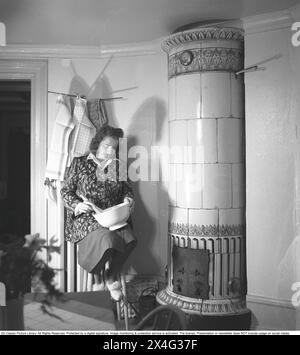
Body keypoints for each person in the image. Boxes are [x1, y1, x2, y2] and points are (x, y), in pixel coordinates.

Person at [61, 125, 136, 301]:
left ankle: (110, 276)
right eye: (106, 146)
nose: (110, 151)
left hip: (112, 216)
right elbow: (66, 191)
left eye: (114, 148)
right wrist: (77, 205)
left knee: (131, 239)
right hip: (88, 217)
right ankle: (98, 276)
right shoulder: (80, 163)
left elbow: (127, 190)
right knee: (108, 240)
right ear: (97, 144)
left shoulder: (118, 167)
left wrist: (128, 200)